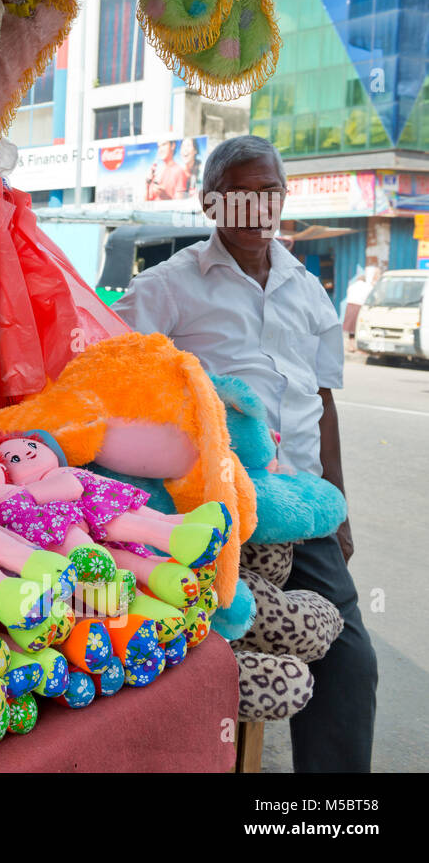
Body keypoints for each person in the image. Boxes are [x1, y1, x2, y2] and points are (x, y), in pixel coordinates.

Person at [112, 134, 377, 774]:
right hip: (219, 515)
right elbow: (110, 367)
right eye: (242, 193)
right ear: (211, 205)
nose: (259, 207)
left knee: (350, 659)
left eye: (270, 192)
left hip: (299, 506)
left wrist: (338, 507)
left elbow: (323, 402)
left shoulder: (304, 287)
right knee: (221, 661)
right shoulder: (169, 287)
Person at [342, 266, 378, 345]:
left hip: (350, 306)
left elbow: (348, 294)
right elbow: (373, 297)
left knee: (351, 328)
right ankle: (357, 345)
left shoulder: (352, 286)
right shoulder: (368, 287)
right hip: (360, 307)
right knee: (360, 327)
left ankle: (350, 344)